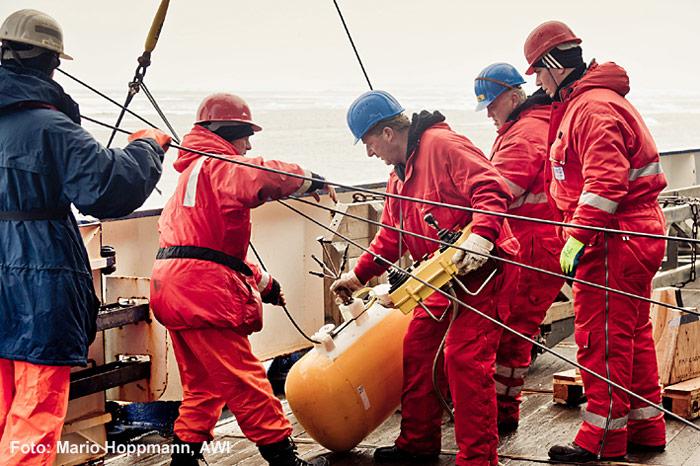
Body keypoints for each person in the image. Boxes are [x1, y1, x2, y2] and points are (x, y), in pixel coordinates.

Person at [0, 9, 169, 466]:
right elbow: (108, 189)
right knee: (35, 412)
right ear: (52, 63)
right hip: (38, 282)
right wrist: (146, 146)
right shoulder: (49, 126)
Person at [331, 90, 519, 466]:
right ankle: (418, 444)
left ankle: (478, 458)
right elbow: (390, 238)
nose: (370, 153)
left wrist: (481, 237)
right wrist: (357, 277)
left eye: (368, 143)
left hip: (485, 270)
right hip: (441, 276)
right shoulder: (398, 178)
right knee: (418, 347)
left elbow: (491, 187)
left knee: (464, 358)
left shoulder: (442, 144)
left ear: (387, 133)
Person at [150, 92, 334, 466]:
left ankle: (182, 461)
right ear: (229, 132)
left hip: (172, 287)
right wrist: (313, 181)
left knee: (203, 388)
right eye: (245, 135)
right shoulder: (219, 164)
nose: (248, 145)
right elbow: (263, 175)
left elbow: (208, 250)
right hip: (202, 293)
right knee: (247, 381)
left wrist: (266, 284)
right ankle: (284, 459)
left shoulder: (190, 178)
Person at [523, 20, 668, 462]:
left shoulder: (590, 109)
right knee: (633, 334)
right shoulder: (596, 103)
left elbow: (605, 183)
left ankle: (601, 440)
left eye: (539, 73)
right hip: (634, 232)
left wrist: (577, 237)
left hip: (612, 238)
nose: (540, 84)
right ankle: (647, 427)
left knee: (601, 338)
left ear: (552, 65)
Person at [474, 63, 565, 433]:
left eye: (493, 105)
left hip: (529, 247)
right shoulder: (537, 124)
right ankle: (504, 409)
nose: (490, 114)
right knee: (517, 335)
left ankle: (497, 413)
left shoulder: (523, 134)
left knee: (505, 334)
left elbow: (496, 193)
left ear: (514, 96)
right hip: (543, 244)